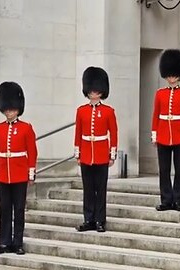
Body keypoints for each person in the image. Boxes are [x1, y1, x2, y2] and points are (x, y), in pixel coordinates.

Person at [0, 82, 38, 255]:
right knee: (4, 210)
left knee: (18, 210)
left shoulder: (26, 128)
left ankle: (17, 242)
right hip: (4, 174)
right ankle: (4, 242)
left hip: (19, 174)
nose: (9, 112)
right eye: (7, 109)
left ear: (18, 109)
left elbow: (32, 152)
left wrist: (31, 173)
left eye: (12, 109)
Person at [74, 66, 118, 233]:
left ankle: (100, 220)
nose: (93, 93)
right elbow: (78, 133)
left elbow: (113, 133)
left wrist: (112, 154)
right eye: (91, 90)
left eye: (96, 90)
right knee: (88, 189)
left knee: (101, 190)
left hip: (101, 155)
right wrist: (78, 153)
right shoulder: (81, 111)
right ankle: (89, 219)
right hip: (86, 154)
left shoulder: (108, 111)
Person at [152, 49, 180, 212]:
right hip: (163, 135)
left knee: (179, 170)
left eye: (174, 75)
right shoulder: (160, 94)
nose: (171, 78)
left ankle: (178, 200)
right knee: (164, 170)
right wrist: (154, 134)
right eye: (169, 75)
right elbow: (155, 115)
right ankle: (165, 199)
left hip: (179, 136)